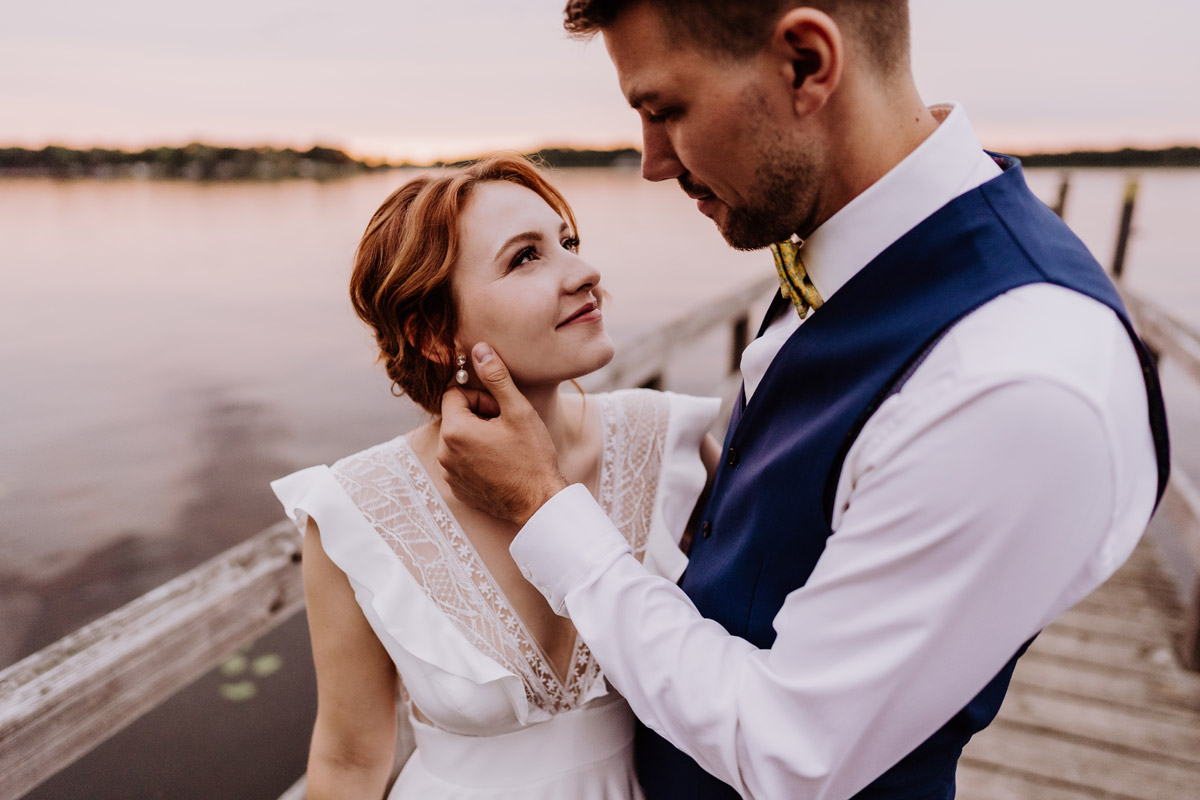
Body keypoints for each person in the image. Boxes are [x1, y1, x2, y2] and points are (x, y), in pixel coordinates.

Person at [435, 2, 1171, 799]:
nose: (651, 160)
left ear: (807, 63)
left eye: (665, 110)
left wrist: (545, 509)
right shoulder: (846, 237)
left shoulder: (1019, 387)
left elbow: (788, 752)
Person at [271, 153, 721, 799]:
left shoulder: (670, 442)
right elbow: (348, 760)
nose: (585, 272)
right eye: (525, 257)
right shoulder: (356, 510)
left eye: (567, 242)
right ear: (432, 333)